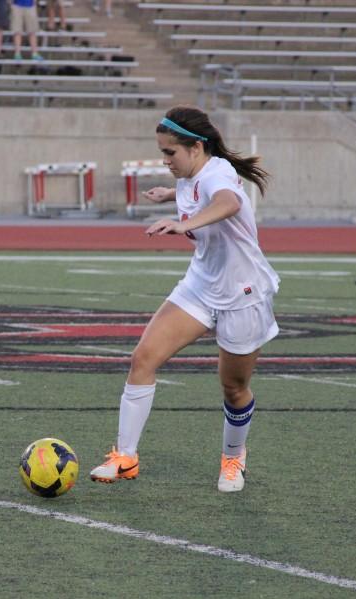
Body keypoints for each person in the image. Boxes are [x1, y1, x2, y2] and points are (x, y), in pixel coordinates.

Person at [89, 106, 279, 493]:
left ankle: (233, 458)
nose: (165, 160)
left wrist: (183, 224)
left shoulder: (217, 173)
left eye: (170, 153)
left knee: (233, 388)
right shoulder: (189, 175)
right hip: (200, 286)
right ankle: (125, 457)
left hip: (242, 293)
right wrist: (167, 197)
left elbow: (229, 202)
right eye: (162, 152)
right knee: (143, 358)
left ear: (196, 148)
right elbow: (194, 194)